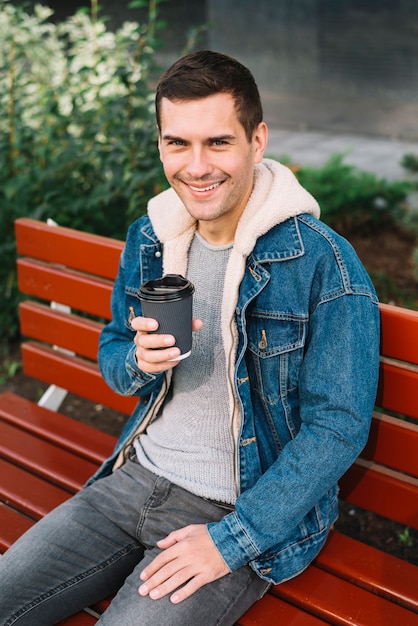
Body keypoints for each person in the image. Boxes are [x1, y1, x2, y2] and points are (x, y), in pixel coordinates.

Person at [0, 50, 380, 626]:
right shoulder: (153, 238)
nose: (196, 166)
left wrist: (234, 540)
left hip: (236, 512)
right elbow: (111, 348)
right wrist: (138, 360)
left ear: (257, 140)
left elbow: (337, 425)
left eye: (218, 143)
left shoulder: (321, 261)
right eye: (177, 143)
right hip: (133, 479)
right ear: (160, 144)